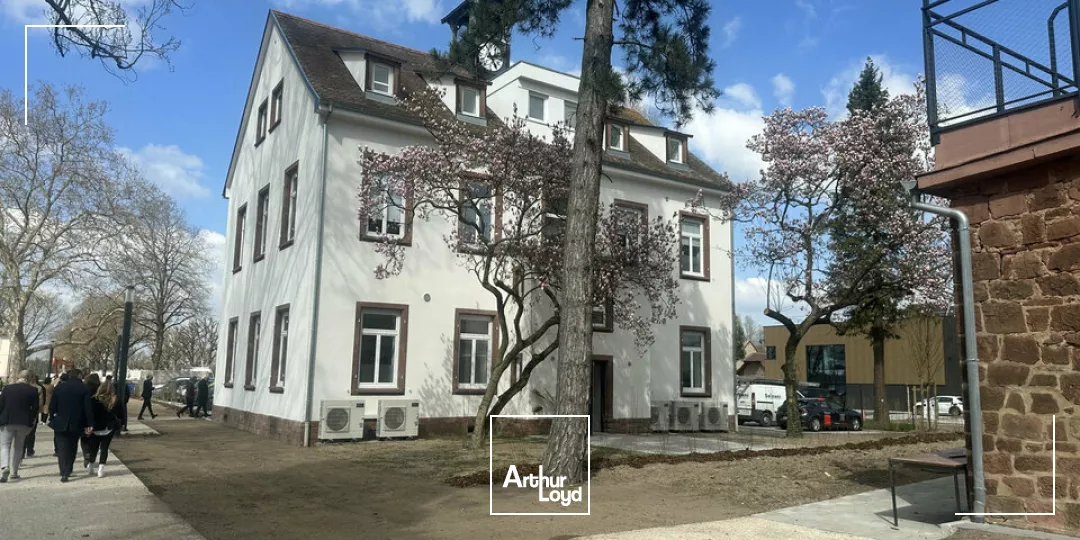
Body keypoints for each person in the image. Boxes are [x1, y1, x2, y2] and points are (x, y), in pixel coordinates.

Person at [48, 368, 94, 482]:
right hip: (77, 421)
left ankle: (63, 470)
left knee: (62, 447)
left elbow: (52, 405)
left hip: (60, 420)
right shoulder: (84, 388)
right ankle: (68, 469)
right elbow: (88, 408)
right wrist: (90, 423)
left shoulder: (59, 387)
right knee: (72, 447)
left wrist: (52, 417)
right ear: (79, 375)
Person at [0, 370, 40, 482]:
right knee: (18, 447)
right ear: (29, 378)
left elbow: (1, 405)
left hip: (7, 421)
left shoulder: (7, 389)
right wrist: (31, 421)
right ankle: (14, 472)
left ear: (18, 377)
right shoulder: (33, 390)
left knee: (5, 446)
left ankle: (4, 467)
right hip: (23, 422)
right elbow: (35, 408)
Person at [83, 383, 123, 478]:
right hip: (108, 428)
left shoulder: (93, 400)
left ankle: (91, 466)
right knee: (104, 449)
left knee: (93, 448)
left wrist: (87, 426)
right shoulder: (116, 401)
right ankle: (101, 469)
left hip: (95, 428)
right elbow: (121, 414)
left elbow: (88, 414)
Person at [22, 373, 46, 459]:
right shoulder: (39, 388)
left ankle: (22, 451)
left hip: (22, 412)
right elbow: (41, 403)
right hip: (33, 412)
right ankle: (29, 449)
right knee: (31, 433)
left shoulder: (21, 387)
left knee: (22, 433)